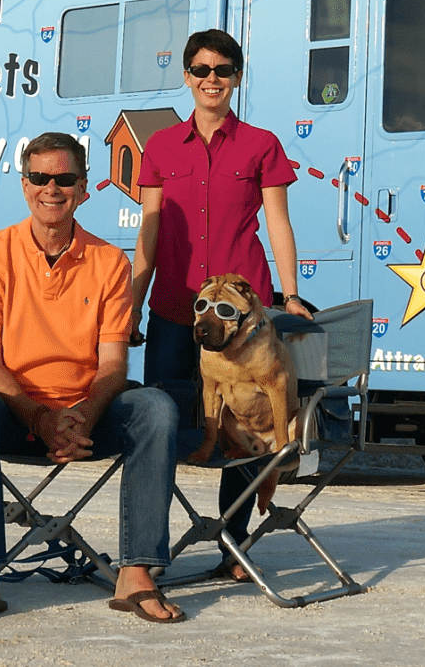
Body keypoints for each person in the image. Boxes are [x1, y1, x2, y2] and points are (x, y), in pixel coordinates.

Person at [0, 132, 184, 624]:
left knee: (156, 408)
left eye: (65, 178)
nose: (51, 188)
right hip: (13, 411)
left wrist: (82, 417)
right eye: (39, 177)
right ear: (24, 185)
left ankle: (136, 572)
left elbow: (114, 366)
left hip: (84, 416)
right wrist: (40, 417)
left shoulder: (111, 263)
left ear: (84, 187)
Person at [130, 28, 312, 580]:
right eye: (202, 69)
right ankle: (148, 553)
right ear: (186, 76)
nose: (213, 79)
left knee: (248, 425)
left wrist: (292, 294)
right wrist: (131, 307)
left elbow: (277, 222)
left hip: (244, 320)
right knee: (160, 423)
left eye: (224, 70)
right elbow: (151, 230)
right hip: (172, 310)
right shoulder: (160, 147)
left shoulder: (261, 144)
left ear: (236, 78)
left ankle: (234, 545)